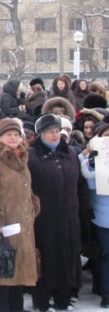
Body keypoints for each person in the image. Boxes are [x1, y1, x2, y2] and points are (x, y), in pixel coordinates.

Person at [0, 118, 40, 312]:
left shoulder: (21, 155)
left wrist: (32, 205)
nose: (13, 138)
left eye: (16, 134)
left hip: (22, 223)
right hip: (2, 225)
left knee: (17, 275)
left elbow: (25, 187)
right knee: (1, 274)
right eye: (8, 134)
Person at [28, 114, 87, 311]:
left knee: (67, 256)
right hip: (43, 218)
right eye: (50, 132)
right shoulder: (31, 155)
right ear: (40, 134)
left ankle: (63, 299)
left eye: (57, 131)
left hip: (69, 216)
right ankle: (41, 300)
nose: (55, 135)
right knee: (45, 258)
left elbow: (79, 185)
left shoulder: (70, 153)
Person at [80, 123, 109, 308]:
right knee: (106, 256)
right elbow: (90, 187)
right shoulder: (91, 156)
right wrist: (91, 163)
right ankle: (106, 294)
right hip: (103, 216)